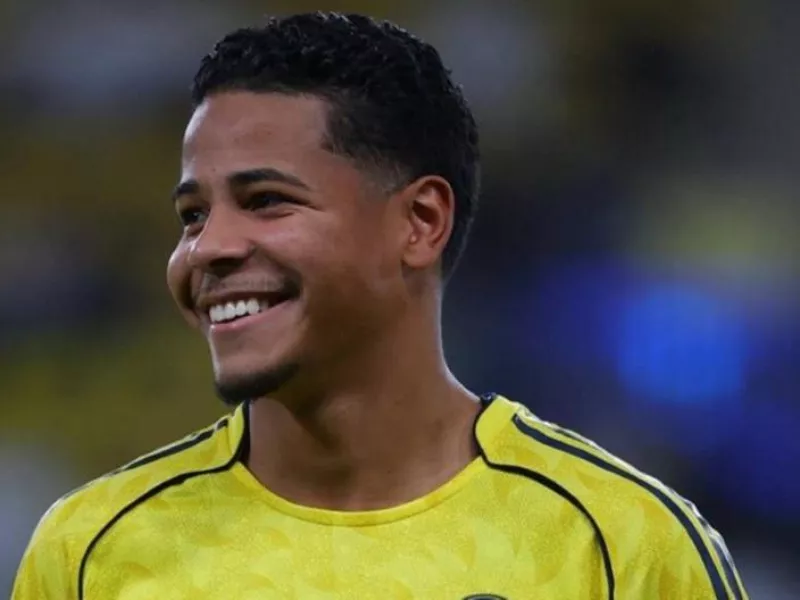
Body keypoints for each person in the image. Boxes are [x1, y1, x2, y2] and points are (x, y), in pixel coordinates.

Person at [12, 12, 748, 600]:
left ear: (420, 222)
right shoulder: (92, 553)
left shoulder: (621, 547)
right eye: (193, 215)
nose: (208, 249)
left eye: (266, 201)